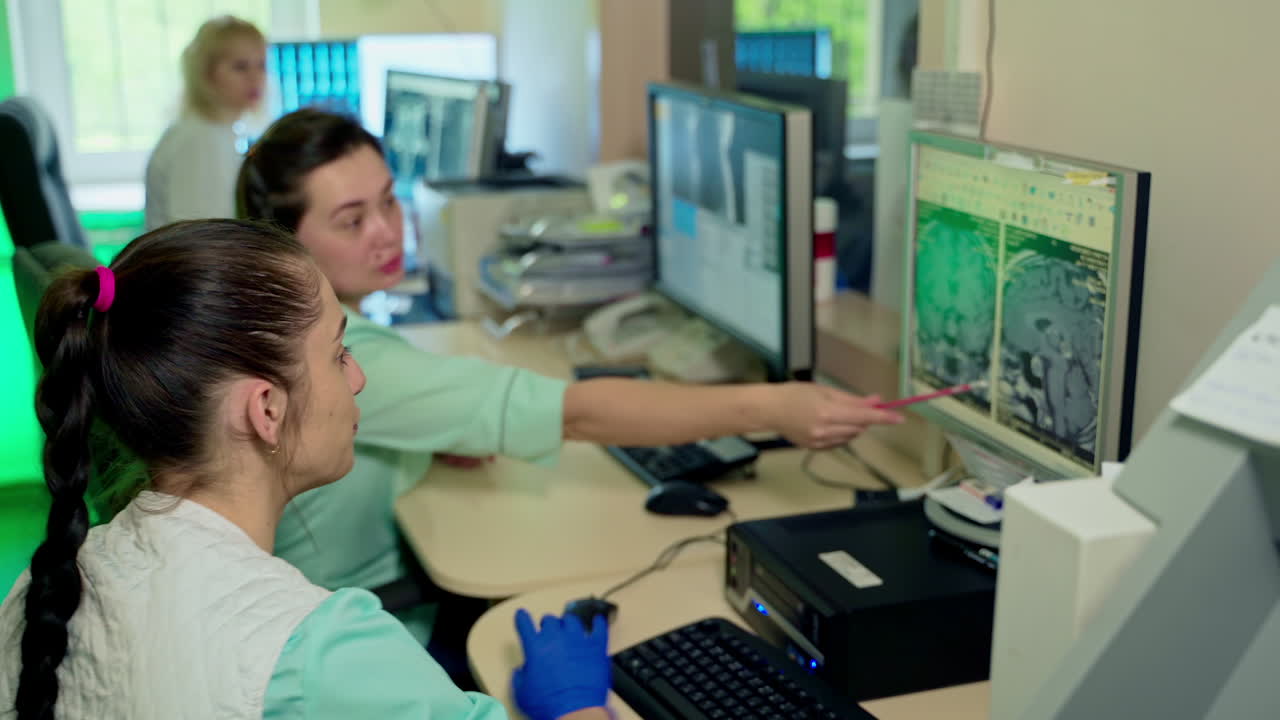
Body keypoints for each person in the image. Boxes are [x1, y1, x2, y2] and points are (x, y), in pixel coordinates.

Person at [235, 108, 904, 628]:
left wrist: (430, 444)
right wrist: (772, 406)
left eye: (387, 201)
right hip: (367, 637)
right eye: (352, 221)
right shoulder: (347, 362)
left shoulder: (297, 334)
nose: (386, 230)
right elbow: (578, 411)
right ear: (281, 244)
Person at [0, 220, 610, 720]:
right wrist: (573, 706)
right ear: (266, 409)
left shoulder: (40, 588)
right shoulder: (322, 652)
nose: (359, 378)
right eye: (339, 354)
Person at [143, 16, 266, 230]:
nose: (256, 77)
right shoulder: (200, 140)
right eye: (240, 67)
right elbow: (203, 240)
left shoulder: (220, 132)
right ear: (206, 74)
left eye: (261, 65)